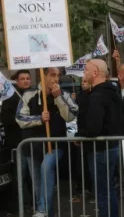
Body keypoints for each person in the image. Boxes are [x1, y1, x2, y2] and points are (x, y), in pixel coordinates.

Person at [16, 67, 78, 217]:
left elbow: (70, 116)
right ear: (43, 76)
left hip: (55, 144)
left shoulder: (64, 94)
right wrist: (39, 119)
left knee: (46, 166)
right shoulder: (29, 94)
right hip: (33, 146)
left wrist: (58, 98)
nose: (56, 78)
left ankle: (42, 209)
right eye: (52, 75)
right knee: (38, 186)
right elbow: (20, 118)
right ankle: (45, 212)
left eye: (58, 75)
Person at [77, 59, 123, 217]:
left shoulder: (97, 96)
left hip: (100, 150)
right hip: (111, 146)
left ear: (95, 72)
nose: (84, 73)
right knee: (108, 189)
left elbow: (93, 127)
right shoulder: (112, 92)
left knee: (103, 192)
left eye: (86, 70)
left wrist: (80, 135)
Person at [0, 70, 32, 213]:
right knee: (19, 177)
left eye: (28, 78)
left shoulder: (35, 95)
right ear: (17, 81)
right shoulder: (10, 99)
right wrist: (24, 118)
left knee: (33, 177)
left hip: (32, 143)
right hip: (16, 145)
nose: (26, 81)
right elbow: (8, 120)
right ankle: (21, 207)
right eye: (23, 79)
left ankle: (33, 204)